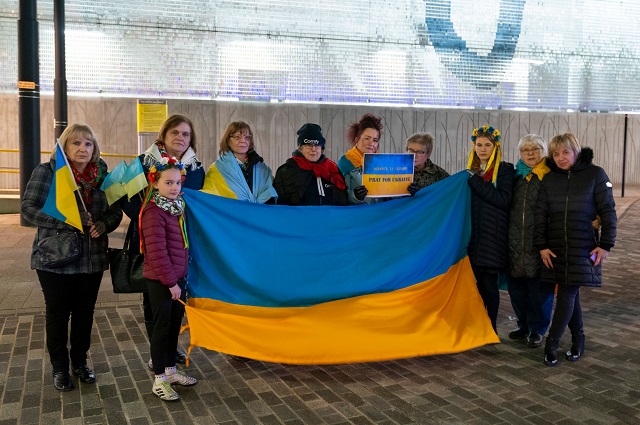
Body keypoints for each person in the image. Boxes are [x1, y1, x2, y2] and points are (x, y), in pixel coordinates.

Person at [21, 124, 123, 391]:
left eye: (88, 144)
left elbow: (115, 212)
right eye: (76, 143)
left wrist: (103, 225)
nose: (82, 148)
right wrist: (68, 221)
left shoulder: (103, 177)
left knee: (84, 315)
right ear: (65, 146)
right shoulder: (48, 172)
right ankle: (59, 368)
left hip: (91, 259)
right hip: (55, 259)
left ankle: (79, 362)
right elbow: (28, 209)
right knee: (57, 315)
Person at [122, 114, 205, 369]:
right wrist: (150, 216)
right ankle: (156, 351)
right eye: (175, 133)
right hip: (151, 237)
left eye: (186, 134)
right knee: (154, 299)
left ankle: (169, 350)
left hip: (179, 240)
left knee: (175, 302)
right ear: (164, 134)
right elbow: (125, 197)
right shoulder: (144, 163)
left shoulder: (196, 168)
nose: (180, 138)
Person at [534, 133, 617, 366]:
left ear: (576, 151)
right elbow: (540, 214)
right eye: (556, 154)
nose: (561, 158)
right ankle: (578, 339)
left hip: (584, 246)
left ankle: (552, 342)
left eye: (566, 152)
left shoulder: (595, 175)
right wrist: (541, 245)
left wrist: (606, 244)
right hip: (557, 247)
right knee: (570, 295)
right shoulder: (550, 180)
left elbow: (608, 211)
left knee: (567, 292)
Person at [139, 156, 197, 401]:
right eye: (168, 183)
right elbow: (157, 252)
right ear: (155, 184)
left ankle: (172, 372)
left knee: (174, 326)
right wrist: (171, 283)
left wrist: (180, 279)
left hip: (178, 278)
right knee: (162, 329)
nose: (174, 187)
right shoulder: (154, 212)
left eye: (177, 182)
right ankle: (160, 378)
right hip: (162, 281)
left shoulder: (176, 207)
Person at [506, 134, 555, 348]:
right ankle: (523, 324)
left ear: (543, 151)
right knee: (517, 289)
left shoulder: (550, 177)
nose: (530, 154)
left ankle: (538, 329)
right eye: (526, 150)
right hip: (515, 242)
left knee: (539, 291)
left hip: (539, 244)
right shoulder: (515, 177)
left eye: (535, 149)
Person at [466, 125, 514, 333]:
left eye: (487, 145)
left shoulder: (504, 170)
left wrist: (475, 182)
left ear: (495, 147)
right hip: (475, 237)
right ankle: (480, 324)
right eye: (479, 145)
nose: (483, 149)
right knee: (477, 285)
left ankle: (491, 327)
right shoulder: (473, 172)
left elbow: (502, 199)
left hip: (493, 237)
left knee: (489, 284)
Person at [202, 121, 277, 203]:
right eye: (237, 137)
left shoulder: (262, 167)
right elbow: (209, 198)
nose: (243, 141)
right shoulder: (217, 168)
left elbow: (271, 193)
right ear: (227, 140)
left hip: (259, 214)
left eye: (247, 137)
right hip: (231, 214)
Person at [273, 123, 348, 206]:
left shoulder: (332, 169)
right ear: (300, 148)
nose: (313, 149)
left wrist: (356, 196)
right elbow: (281, 206)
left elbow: (343, 200)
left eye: (317, 145)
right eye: (308, 145)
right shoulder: (287, 171)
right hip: (299, 218)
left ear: (322, 149)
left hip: (329, 218)